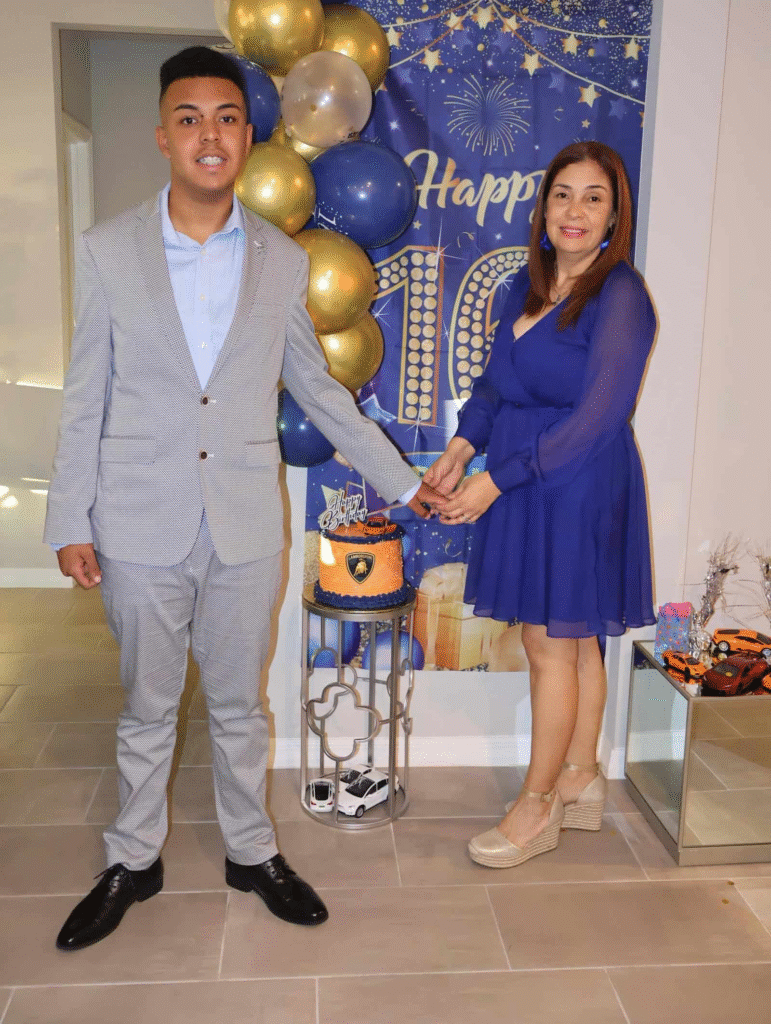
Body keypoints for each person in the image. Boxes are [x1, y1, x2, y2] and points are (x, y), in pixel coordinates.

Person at [44, 46, 444, 950]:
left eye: (226, 117)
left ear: (247, 132)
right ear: (163, 136)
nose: (209, 135)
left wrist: (406, 483)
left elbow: (320, 391)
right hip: (137, 519)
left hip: (243, 524)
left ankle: (251, 852)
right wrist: (69, 519)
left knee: (239, 707)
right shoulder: (107, 250)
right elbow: (85, 396)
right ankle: (132, 860)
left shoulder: (278, 258)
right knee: (147, 709)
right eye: (189, 118)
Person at [425, 141, 656, 868]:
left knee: (550, 642)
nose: (574, 210)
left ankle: (537, 804)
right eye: (562, 194)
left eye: (593, 197)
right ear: (544, 206)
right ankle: (580, 776)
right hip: (525, 477)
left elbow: (600, 416)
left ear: (614, 215)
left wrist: (497, 480)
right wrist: (462, 447)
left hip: (577, 479)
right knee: (573, 639)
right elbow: (493, 389)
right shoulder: (523, 286)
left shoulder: (621, 295)